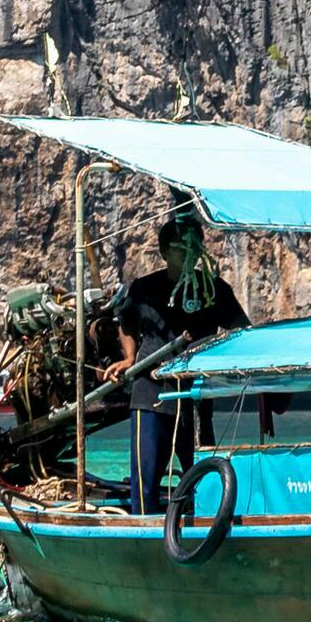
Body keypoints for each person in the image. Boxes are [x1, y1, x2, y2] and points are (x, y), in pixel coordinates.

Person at [92, 211, 229, 508]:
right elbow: (126, 323)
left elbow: (241, 330)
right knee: (146, 478)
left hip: (195, 396)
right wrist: (129, 357)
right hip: (151, 393)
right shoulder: (145, 289)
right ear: (165, 252)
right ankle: (145, 533)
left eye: (195, 249)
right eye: (181, 250)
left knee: (204, 477)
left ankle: (201, 529)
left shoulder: (214, 290)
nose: (189, 256)